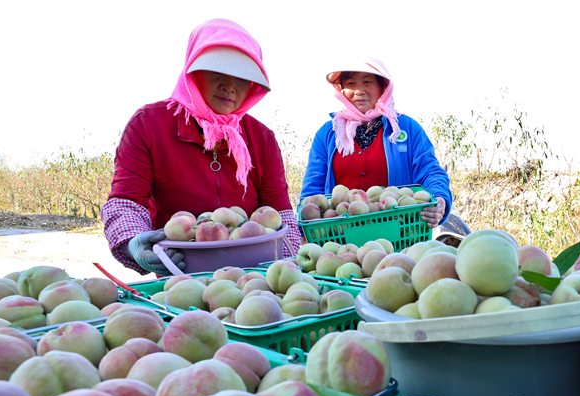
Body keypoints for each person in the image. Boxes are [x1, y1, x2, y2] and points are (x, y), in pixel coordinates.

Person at [102, 18, 303, 276]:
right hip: (180, 274)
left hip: (252, 278)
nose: (229, 87)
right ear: (193, 72)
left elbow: (281, 213)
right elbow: (127, 202)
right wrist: (133, 244)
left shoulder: (261, 138)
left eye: (242, 79)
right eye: (217, 72)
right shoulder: (149, 124)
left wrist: (287, 268)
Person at [299, 59, 451, 228]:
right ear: (342, 89)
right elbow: (313, 187)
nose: (358, 91)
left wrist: (440, 198)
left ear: (383, 88)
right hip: (340, 236)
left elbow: (429, 170)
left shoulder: (405, 128)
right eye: (350, 83)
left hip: (399, 232)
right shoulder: (329, 133)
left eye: (367, 82)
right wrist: (305, 226)